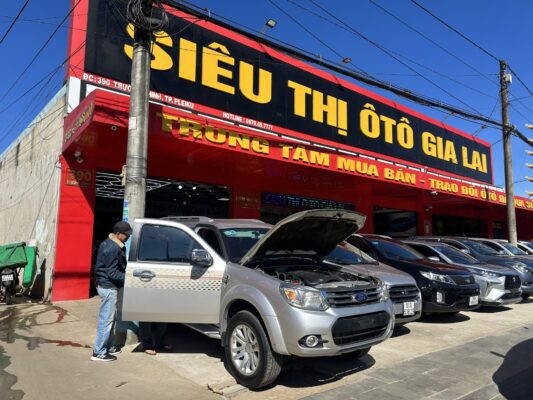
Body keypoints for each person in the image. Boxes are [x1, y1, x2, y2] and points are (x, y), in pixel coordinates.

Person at [91, 221, 132, 362]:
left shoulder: (111, 243)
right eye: (126, 234)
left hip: (106, 285)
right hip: (108, 287)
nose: (128, 237)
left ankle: (106, 348)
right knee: (106, 321)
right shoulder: (113, 248)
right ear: (118, 234)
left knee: (109, 320)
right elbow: (112, 273)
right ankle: (99, 352)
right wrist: (129, 278)